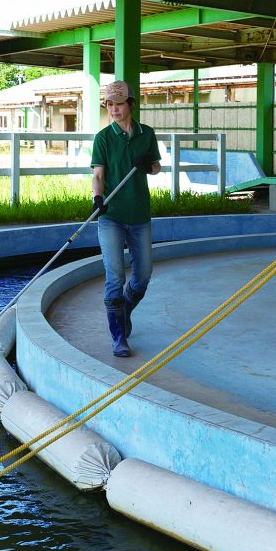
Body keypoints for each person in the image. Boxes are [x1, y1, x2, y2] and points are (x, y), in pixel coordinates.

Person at [91, 80, 162, 357]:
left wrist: (149, 166)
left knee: (143, 275)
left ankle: (126, 309)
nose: (114, 109)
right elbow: (98, 175)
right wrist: (98, 199)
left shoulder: (147, 134)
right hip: (111, 216)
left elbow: (156, 167)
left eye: (119, 104)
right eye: (110, 104)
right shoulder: (103, 138)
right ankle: (118, 335)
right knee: (115, 276)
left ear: (130, 104)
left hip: (139, 215)